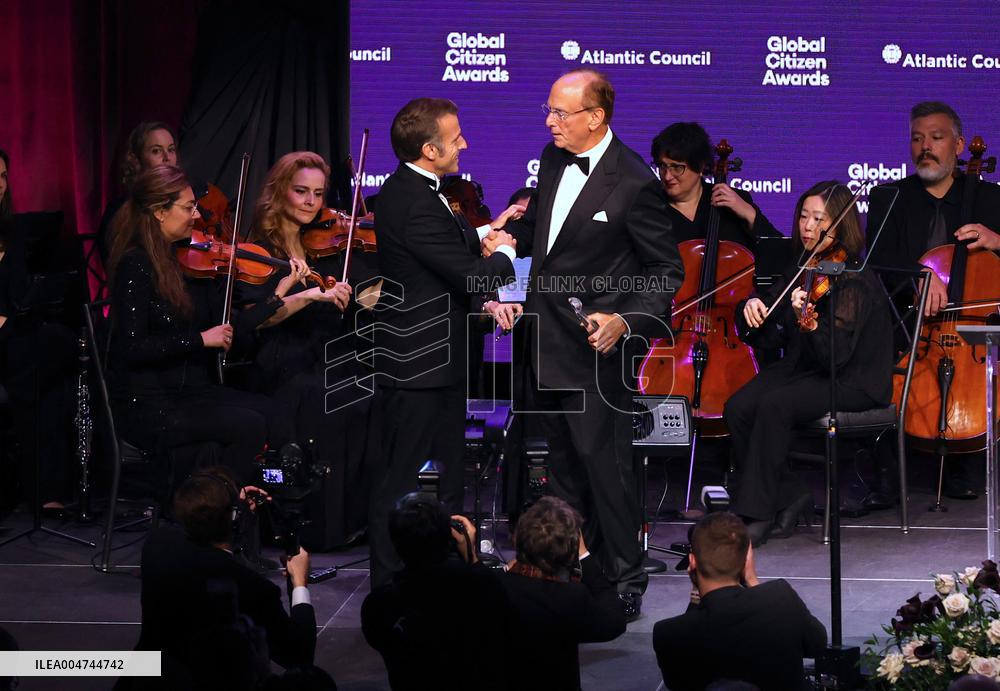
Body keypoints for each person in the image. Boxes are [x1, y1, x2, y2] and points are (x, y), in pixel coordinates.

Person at [495, 69, 683, 620]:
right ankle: (566, 569)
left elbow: (665, 272)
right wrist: (509, 238)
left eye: (561, 112)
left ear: (596, 117)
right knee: (557, 469)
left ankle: (625, 577)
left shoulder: (635, 182)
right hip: (542, 339)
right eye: (549, 110)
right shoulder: (554, 159)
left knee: (606, 470)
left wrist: (625, 319)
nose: (550, 122)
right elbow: (546, 234)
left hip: (596, 351)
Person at [367, 97, 518, 587]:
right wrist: (505, 253)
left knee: (449, 478)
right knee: (400, 482)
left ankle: (446, 574)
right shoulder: (414, 201)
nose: (464, 145)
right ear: (430, 150)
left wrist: (486, 230)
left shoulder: (415, 190)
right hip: (418, 366)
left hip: (439, 363)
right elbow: (472, 277)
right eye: (456, 139)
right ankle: (390, 585)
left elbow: (442, 246)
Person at [106, 165, 298, 488]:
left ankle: (267, 506)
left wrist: (276, 297)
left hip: (191, 393)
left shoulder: (182, 261)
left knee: (275, 412)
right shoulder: (135, 264)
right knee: (250, 425)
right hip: (151, 404)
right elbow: (133, 348)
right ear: (159, 212)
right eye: (188, 207)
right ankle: (214, 506)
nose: (196, 216)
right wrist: (199, 340)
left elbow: (226, 329)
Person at [726, 181, 893, 545]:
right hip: (809, 368)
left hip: (853, 379)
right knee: (738, 406)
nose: (808, 226)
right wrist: (753, 308)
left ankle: (757, 513)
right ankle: (790, 494)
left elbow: (838, 357)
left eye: (819, 219)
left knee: (775, 404)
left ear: (840, 225)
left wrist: (811, 322)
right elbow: (772, 329)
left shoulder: (853, 278)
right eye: (804, 216)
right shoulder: (806, 265)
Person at [866, 101, 1000, 503]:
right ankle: (887, 473)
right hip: (908, 319)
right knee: (873, 356)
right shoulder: (890, 196)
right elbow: (878, 259)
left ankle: (968, 462)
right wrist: (921, 276)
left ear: (958, 145)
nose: (925, 146)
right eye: (917, 138)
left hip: (973, 320)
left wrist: (997, 240)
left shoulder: (990, 199)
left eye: (936, 138)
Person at [240, 150, 374, 548]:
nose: (311, 202)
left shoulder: (321, 244)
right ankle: (316, 528)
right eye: (301, 191)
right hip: (281, 362)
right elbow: (256, 321)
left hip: (322, 355)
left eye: (318, 193)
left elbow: (356, 300)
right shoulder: (260, 249)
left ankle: (352, 520)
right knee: (325, 397)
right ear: (280, 191)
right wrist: (308, 296)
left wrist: (370, 292)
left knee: (368, 389)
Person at [137, 467, 317, 674]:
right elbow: (298, 655)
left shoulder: (156, 544)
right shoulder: (252, 588)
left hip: (147, 674)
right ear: (235, 519)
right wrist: (299, 584)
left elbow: (215, 559)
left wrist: (230, 510)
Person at [652, 512, 826, 691]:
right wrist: (752, 580)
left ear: (692, 562)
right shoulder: (781, 599)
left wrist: (695, 597)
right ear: (746, 561)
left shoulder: (669, 633)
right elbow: (817, 646)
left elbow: (678, 685)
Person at [361, 492, 511, 691]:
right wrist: (472, 557)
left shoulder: (378, 606)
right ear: (448, 536)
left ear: (394, 543)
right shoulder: (485, 590)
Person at [501, 496, 625, 691]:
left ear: (516, 539)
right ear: (570, 549)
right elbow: (614, 622)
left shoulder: (494, 587)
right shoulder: (571, 597)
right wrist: (584, 555)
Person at [651, 121, 780, 247]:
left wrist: (750, 214)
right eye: (662, 166)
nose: (667, 176)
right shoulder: (651, 208)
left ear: (700, 166)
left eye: (677, 167)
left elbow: (780, 252)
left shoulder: (736, 200)